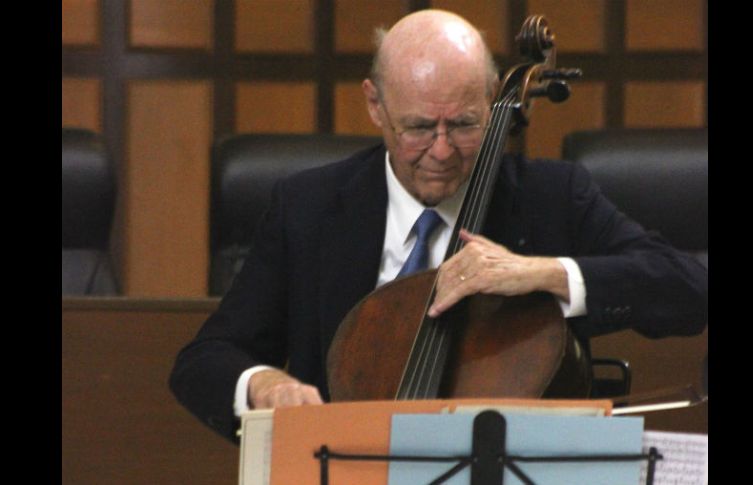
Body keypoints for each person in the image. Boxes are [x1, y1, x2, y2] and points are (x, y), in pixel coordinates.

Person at [169, 9, 707, 443]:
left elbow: (689, 288)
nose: (443, 151)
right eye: (420, 128)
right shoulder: (307, 207)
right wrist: (263, 383)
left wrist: (544, 274)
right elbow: (205, 360)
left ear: (496, 102)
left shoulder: (552, 198)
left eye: (466, 125)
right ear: (375, 105)